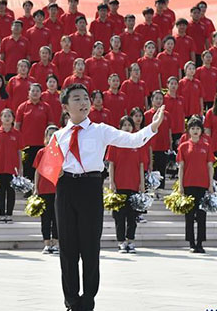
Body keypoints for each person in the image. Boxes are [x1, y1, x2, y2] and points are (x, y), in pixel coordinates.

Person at [52, 83, 164, 311]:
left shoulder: (100, 130)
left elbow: (132, 140)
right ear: (65, 106)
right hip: (65, 190)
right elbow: (48, 167)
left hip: (90, 187)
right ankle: (71, 301)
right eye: (76, 99)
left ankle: (88, 301)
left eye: (85, 98)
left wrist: (153, 127)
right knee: (68, 248)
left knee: (90, 247)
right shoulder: (57, 136)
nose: (83, 102)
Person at [107, 116, 147, 253]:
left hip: (134, 185)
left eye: (129, 125)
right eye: (124, 125)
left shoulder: (138, 143)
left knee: (132, 216)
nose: (127, 127)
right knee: (119, 216)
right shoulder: (115, 143)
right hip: (119, 184)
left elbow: (141, 165)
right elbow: (111, 164)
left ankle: (130, 240)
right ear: (120, 127)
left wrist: (142, 183)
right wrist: (111, 182)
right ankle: (121, 242)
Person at [176, 115, 214, 253]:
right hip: (188, 183)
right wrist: (180, 186)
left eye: (198, 128)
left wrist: (210, 185)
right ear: (188, 131)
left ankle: (200, 243)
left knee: (202, 215)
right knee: (190, 216)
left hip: (203, 184)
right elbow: (181, 167)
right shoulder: (184, 146)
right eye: (193, 128)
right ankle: (191, 242)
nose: (195, 131)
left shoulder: (207, 146)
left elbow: (210, 166)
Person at [0, 108, 23, 223]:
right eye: (5, 116)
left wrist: (20, 167)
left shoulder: (17, 134)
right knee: (1, 191)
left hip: (12, 167)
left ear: (13, 118)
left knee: (11, 191)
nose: (7, 118)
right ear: (1, 118)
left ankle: (9, 214)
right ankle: (2, 213)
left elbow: (19, 151)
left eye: (9, 116)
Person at [33, 125, 59, 253]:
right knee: (46, 218)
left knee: (57, 218)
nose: (52, 137)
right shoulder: (41, 152)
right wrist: (36, 188)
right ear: (46, 137)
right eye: (50, 135)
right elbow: (37, 171)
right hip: (44, 189)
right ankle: (47, 243)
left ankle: (55, 243)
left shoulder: (62, 152)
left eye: (55, 135)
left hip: (58, 190)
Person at [145, 90, 172, 196]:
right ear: (152, 100)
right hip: (151, 146)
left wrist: (170, 143)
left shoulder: (167, 115)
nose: (158, 101)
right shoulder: (147, 115)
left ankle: (160, 190)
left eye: (160, 99)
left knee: (161, 169)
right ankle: (151, 190)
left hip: (163, 146)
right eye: (156, 98)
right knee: (152, 168)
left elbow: (169, 130)